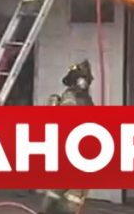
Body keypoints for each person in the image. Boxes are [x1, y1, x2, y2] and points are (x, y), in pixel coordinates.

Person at [39, 60, 95, 214]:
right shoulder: (72, 98)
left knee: (58, 191)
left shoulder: (80, 99)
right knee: (73, 195)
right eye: (82, 79)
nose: (84, 83)